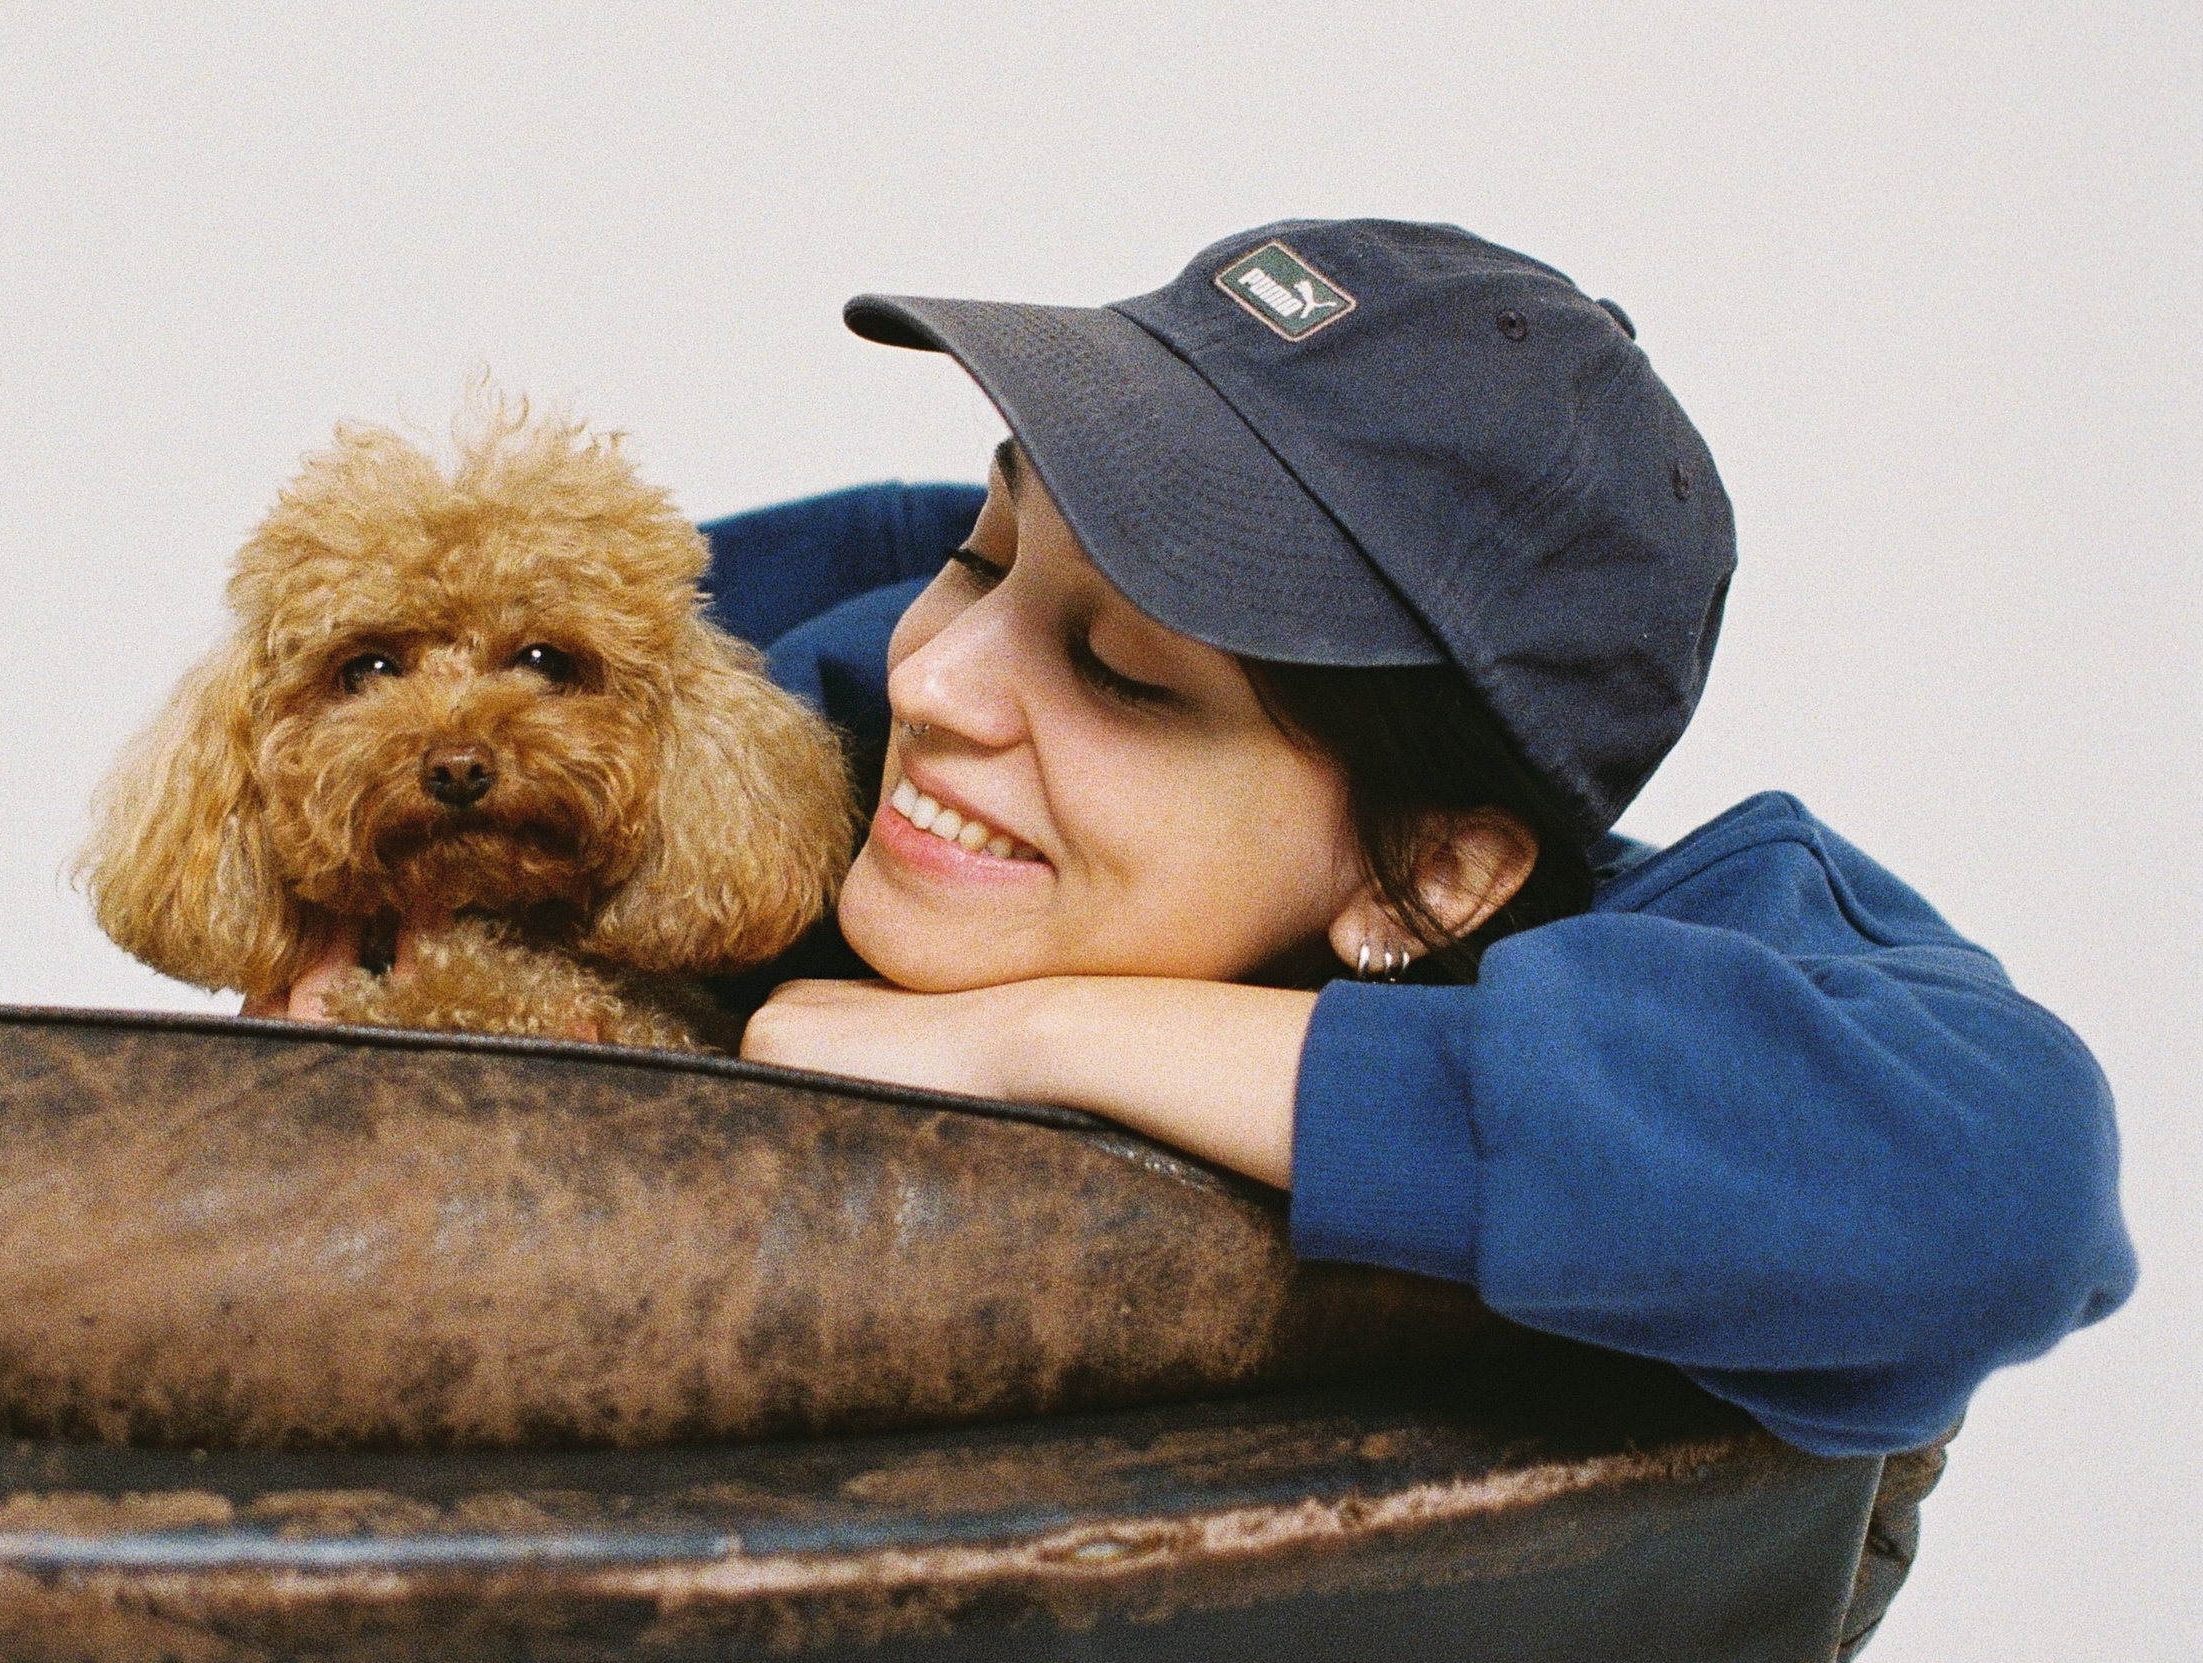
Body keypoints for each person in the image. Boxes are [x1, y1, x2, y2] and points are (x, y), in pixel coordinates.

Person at [702, 220, 2135, 1459]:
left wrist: (1040, 1036)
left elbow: (2003, 1193)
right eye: (986, 555)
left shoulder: (1666, 981)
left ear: (1436, 879)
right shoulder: (812, 657)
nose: (933, 682)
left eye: (1123, 673)